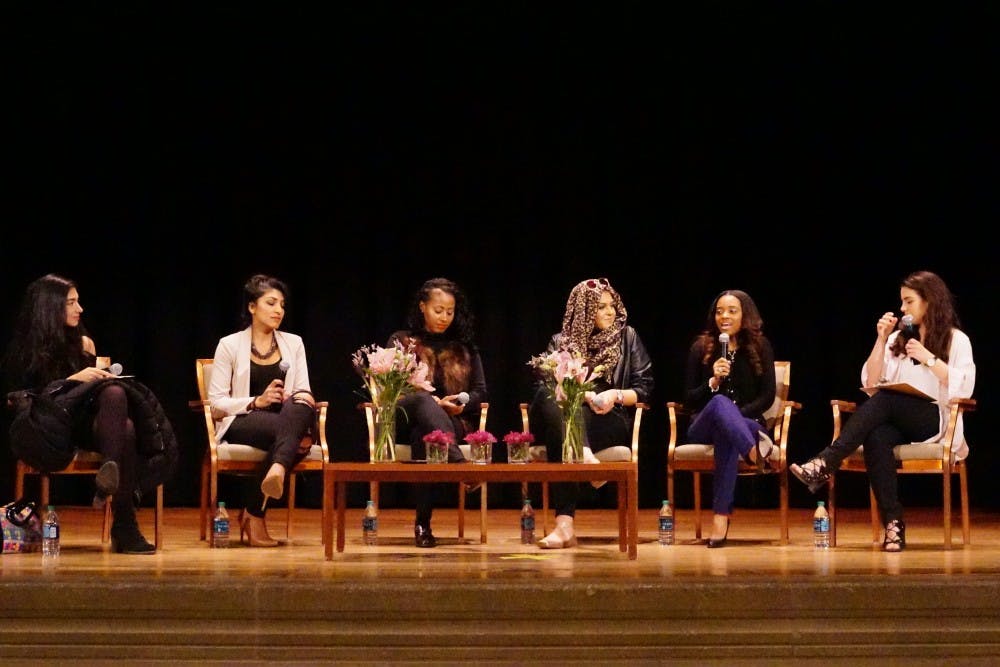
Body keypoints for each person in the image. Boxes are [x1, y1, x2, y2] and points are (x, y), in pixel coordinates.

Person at [790, 270, 975, 551]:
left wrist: (929, 359)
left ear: (929, 301)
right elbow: (871, 382)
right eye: (902, 302)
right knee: (876, 435)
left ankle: (826, 461)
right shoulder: (897, 339)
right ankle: (894, 525)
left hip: (935, 420)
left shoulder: (956, 339)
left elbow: (964, 387)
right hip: (898, 418)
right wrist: (881, 338)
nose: (902, 308)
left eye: (908, 301)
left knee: (888, 399)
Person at [2, 273, 177, 554]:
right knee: (128, 432)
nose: (80, 309)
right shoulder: (24, 350)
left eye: (78, 302)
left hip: (83, 425)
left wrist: (95, 373)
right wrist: (74, 379)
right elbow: (28, 400)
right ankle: (124, 526)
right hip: (47, 431)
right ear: (51, 307)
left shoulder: (84, 343)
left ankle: (110, 472)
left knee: (115, 393)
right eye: (72, 303)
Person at [528, 277, 654, 549]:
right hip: (567, 415)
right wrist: (580, 393)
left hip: (608, 420)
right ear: (583, 309)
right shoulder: (561, 341)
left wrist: (614, 395)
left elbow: (644, 388)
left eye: (612, 305)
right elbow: (544, 386)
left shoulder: (627, 337)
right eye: (601, 307)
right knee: (554, 399)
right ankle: (582, 456)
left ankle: (565, 526)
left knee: (563, 427)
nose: (610, 312)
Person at [207, 274, 317, 547]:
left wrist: (289, 397)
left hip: (286, 417)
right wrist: (257, 401)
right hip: (243, 420)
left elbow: (304, 391)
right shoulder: (229, 345)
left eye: (282, 305)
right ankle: (257, 508)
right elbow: (216, 402)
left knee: (302, 403)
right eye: (271, 303)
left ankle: (255, 508)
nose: (279, 310)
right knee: (300, 441)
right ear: (252, 307)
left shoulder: (294, 343)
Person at [387, 277, 488, 548]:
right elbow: (389, 388)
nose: (445, 317)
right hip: (405, 419)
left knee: (428, 434)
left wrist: (461, 400)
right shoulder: (402, 342)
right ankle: (460, 466)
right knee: (422, 402)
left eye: (450, 311)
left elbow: (480, 391)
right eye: (438, 310)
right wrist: (432, 402)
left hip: (451, 422)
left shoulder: (464, 347)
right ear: (422, 307)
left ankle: (423, 524)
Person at [681, 290, 776, 548]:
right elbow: (688, 398)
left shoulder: (760, 346)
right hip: (703, 424)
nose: (724, 316)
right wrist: (712, 382)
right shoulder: (701, 347)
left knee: (727, 432)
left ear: (745, 315)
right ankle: (755, 454)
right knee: (720, 402)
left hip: (746, 423)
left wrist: (732, 419)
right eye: (720, 311)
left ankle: (720, 518)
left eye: (732, 311)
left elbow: (768, 396)